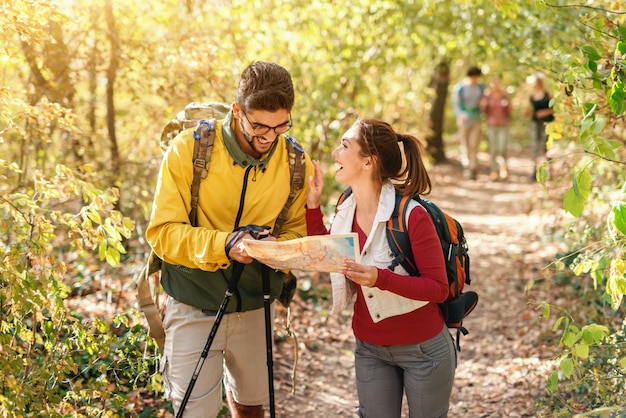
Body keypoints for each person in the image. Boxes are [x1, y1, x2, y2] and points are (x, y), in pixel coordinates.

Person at [146, 61, 313, 418]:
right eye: (259, 126)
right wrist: (224, 244)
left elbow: (297, 230)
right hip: (193, 300)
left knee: (252, 408)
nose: (269, 138)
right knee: (195, 413)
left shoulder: (297, 162)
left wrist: (277, 249)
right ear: (237, 111)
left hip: (256, 305)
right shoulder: (189, 150)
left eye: (280, 126)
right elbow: (162, 233)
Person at [306, 119, 456, 417]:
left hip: (423, 351)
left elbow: (438, 288)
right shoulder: (344, 205)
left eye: (345, 146)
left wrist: (380, 278)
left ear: (368, 161)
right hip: (370, 348)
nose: (335, 152)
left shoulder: (411, 215)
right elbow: (329, 254)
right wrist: (312, 204)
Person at [452, 65, 485, 180]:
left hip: (476, 119)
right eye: (474, 77)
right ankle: (466, 165)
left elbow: (483, 100)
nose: (475, 80)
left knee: (474, 144)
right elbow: (455, 105)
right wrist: (462, 114)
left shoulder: (480, 87)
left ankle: (473, 167)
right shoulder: (459, 88)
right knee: (465, 144)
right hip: (464, 120)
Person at [480, 76, 512, 181]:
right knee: (493, 149)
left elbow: (509, 111)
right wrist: (484, 105)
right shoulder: (487, 96)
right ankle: (494, 171)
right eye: (494, 83)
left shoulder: (504, 96)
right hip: (491, 125)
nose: (496, 85)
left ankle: (504, 168)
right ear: (491, 84)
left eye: (498, 83)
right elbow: (483, 111)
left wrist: (507, 105)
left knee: (502, 148)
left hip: (503, 124)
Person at [526, 73, 555, 180]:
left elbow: (554, 109)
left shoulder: (547, 94)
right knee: (535, 147)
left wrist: (544, 112)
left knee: (546, 147)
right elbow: (530, 111)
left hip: (547, 124)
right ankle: (534, 171)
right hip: (535, 124)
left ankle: (550, 171)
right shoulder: (531, 97)